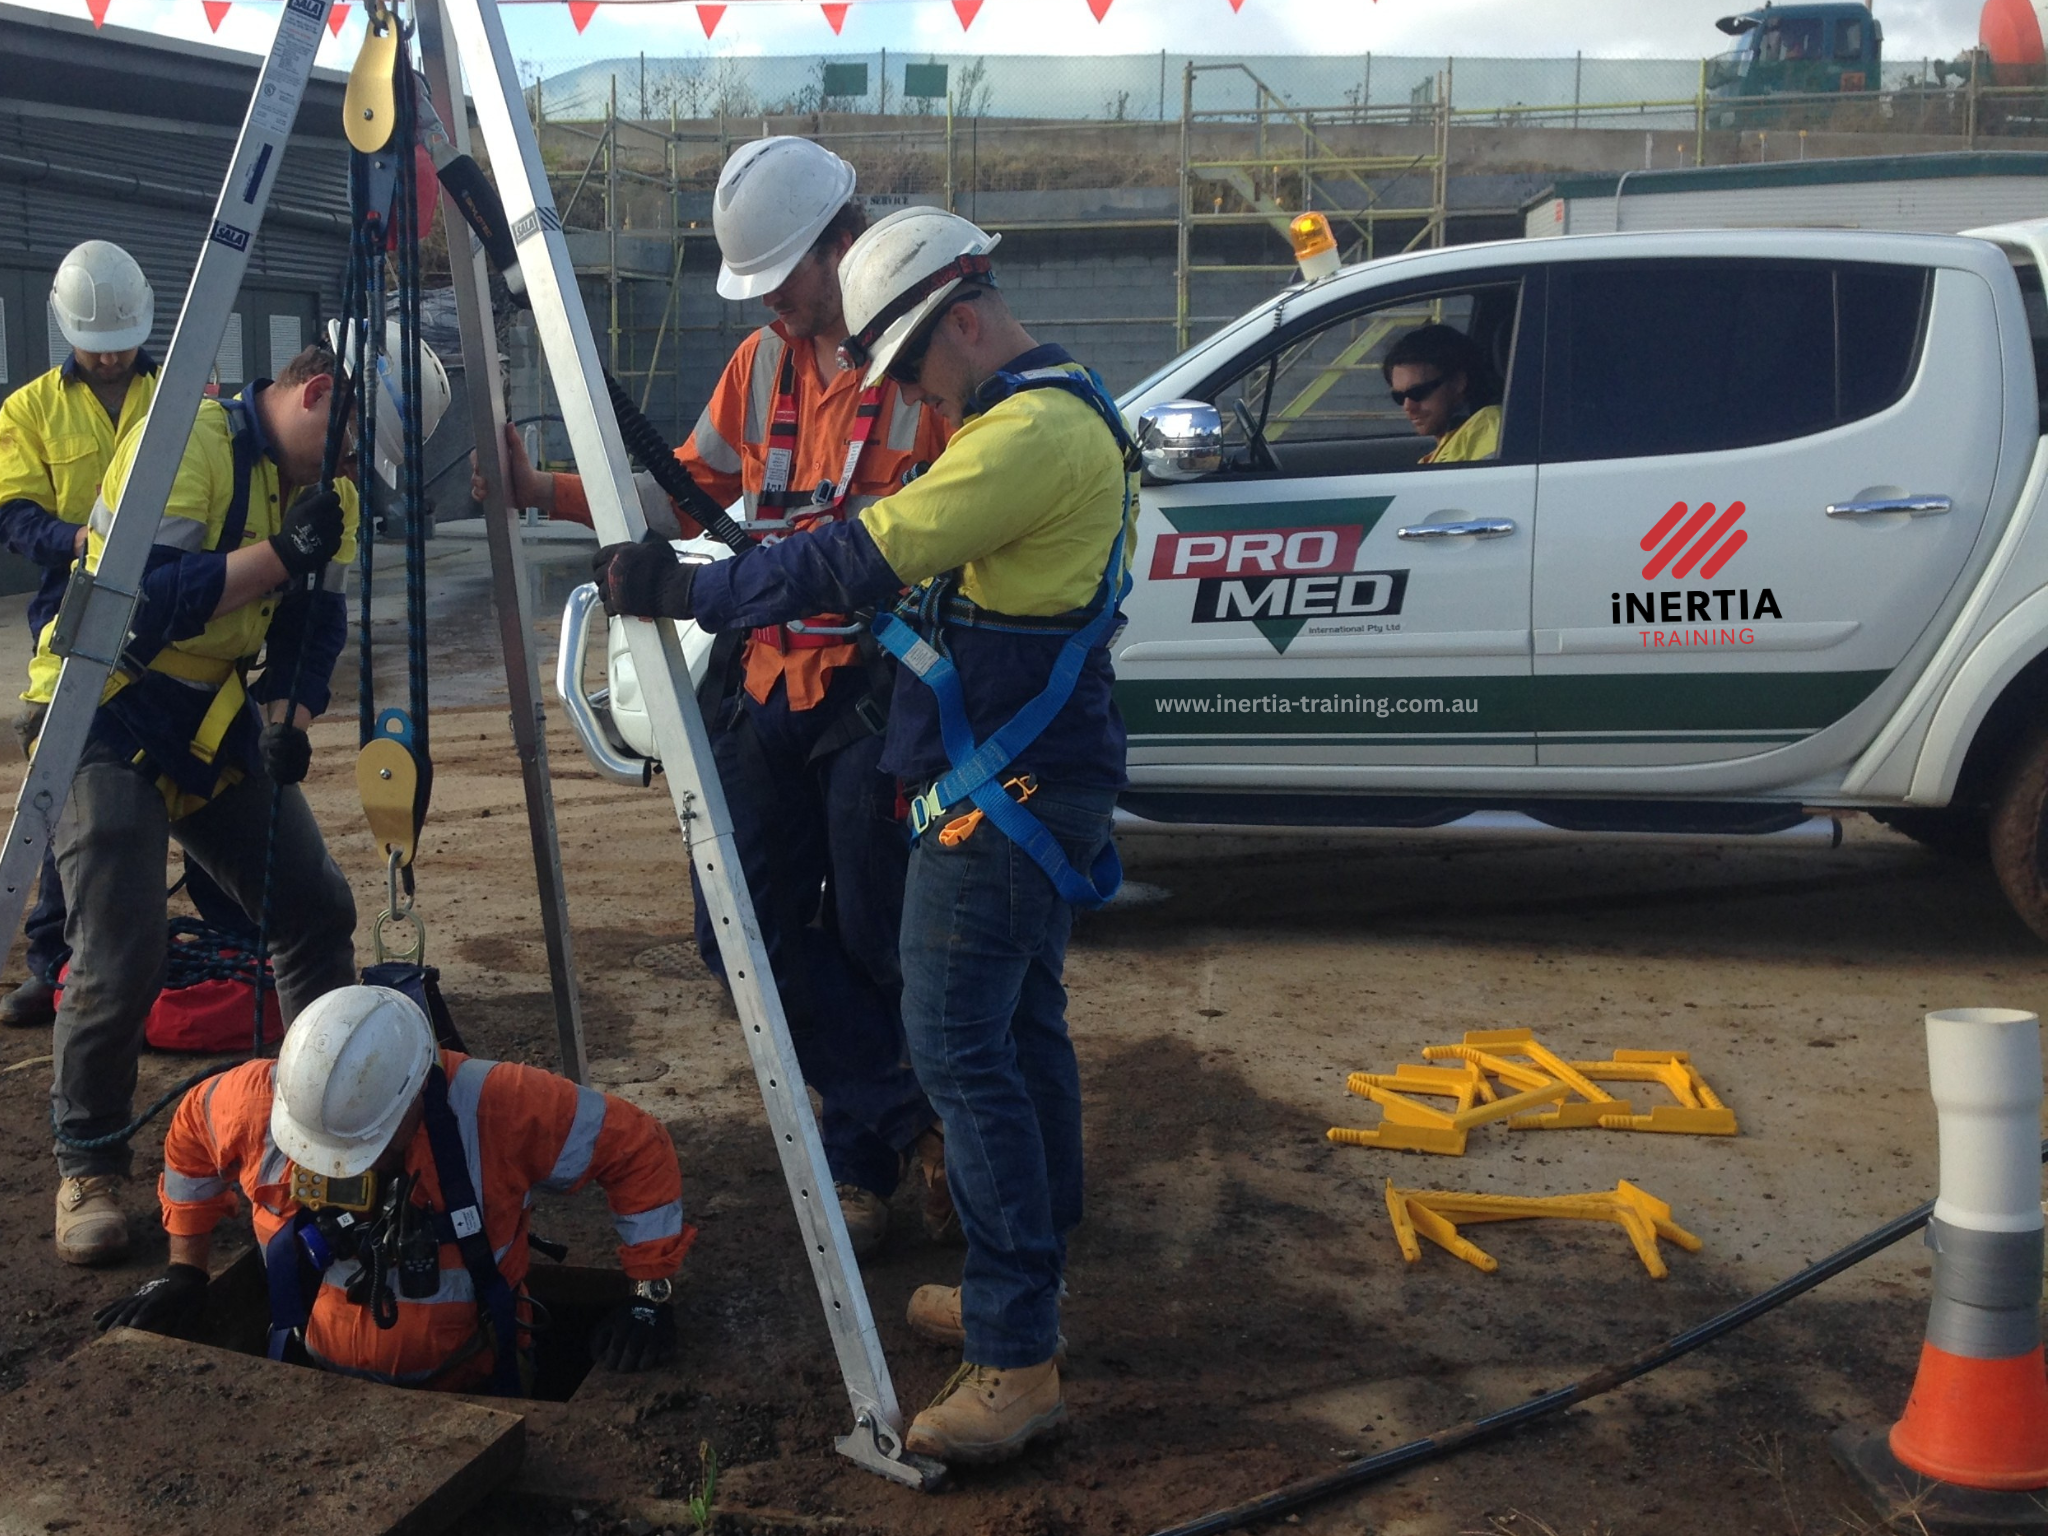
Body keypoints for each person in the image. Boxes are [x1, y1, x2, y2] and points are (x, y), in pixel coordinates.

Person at [591, 207, 1135, 1466]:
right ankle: (1026, 1283)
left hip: (1001, 799)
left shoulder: (1027, 435)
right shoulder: (1057, 410)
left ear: (959, 314)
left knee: (960, 1055)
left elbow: (852, 558)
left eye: (903, 367)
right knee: (1016, 1026)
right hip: (1025, 784)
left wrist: (688, 588)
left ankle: (1014, 1359)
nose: (898, 395)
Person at [487, 137, 952, 1258]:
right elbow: (686, 491)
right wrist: (540, 489)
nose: (779, 307)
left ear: (841, 246)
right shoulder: (759, 365)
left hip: (877, 693)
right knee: (732, 928)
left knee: (873, 937)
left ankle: (863, 1160)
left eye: (785, 281)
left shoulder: (925, 363)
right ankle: (905, 1123)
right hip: (761, 685)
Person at [31, 341, 388, 1267]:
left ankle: (324, 1124)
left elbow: (317, 623)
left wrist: (291, 713)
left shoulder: (329, 494)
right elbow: (139, 600)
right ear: (316, 394)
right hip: (105, 704)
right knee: (122, 945)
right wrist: (278, 554)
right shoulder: (183, 439)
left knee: (313, 910)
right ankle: (91, 1167)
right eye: (345, 451)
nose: (346, 475)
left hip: (211, 714)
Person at [93, 985, 691, 1388]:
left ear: (416, 1093)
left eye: (359, 1150)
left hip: (482, 1384)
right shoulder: (258, 1102)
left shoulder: (499, 1107)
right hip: (311, 1380)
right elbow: (190, 1134)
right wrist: (185, 1267)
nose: (340, 1169)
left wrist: (650, 1295)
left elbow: (635, 1146)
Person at [0, 242, 157, 1029]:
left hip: (167, 609)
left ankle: (210, 955)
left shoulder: (178, 392)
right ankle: (49, 963)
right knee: (63, 788)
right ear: (69, 332)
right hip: (70, 614)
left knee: (182, 779)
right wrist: (82, 543)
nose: (112, 355)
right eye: (97, 345)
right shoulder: (28, 410)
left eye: (121, 341)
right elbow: (14, 513)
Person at [1382, 323, 1501, 465]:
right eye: (1399, 397)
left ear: (1458, 382)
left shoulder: (1488, 425)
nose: (1408, 407)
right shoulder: (1450, 445)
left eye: (1418, 392)